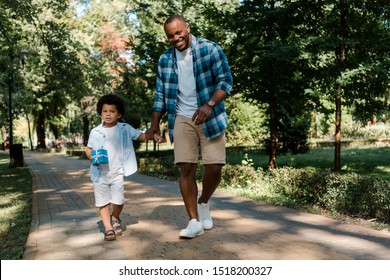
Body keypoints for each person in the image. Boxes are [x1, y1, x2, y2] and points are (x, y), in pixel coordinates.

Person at [146, 15, 233, 239]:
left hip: (210, 116)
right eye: (170, 36)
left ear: (187, 28)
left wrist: (209, 104)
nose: (176, 38)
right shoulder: (165, 60)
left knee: (214, 168)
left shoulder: (210, 49)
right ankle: (194, 221)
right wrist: (154, 123)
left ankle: (204, 202)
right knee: (186, 168)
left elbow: (226, 81)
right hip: (181, 117)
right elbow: (160, 93)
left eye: (178, 33)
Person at [86, 94, 161, 241]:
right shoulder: (95, 132)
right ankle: (108, 227)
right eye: (105, 111)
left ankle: (115, 217)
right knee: (102, 201)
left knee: (118, 201)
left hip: (117, 172)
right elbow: (88, 149)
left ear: (119, 114)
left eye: (112, 111)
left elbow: (141, 136)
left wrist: (153, 136)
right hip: (100, 173)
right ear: (100, 113)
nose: (108, 114)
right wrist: (92, 156)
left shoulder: (125, 128)